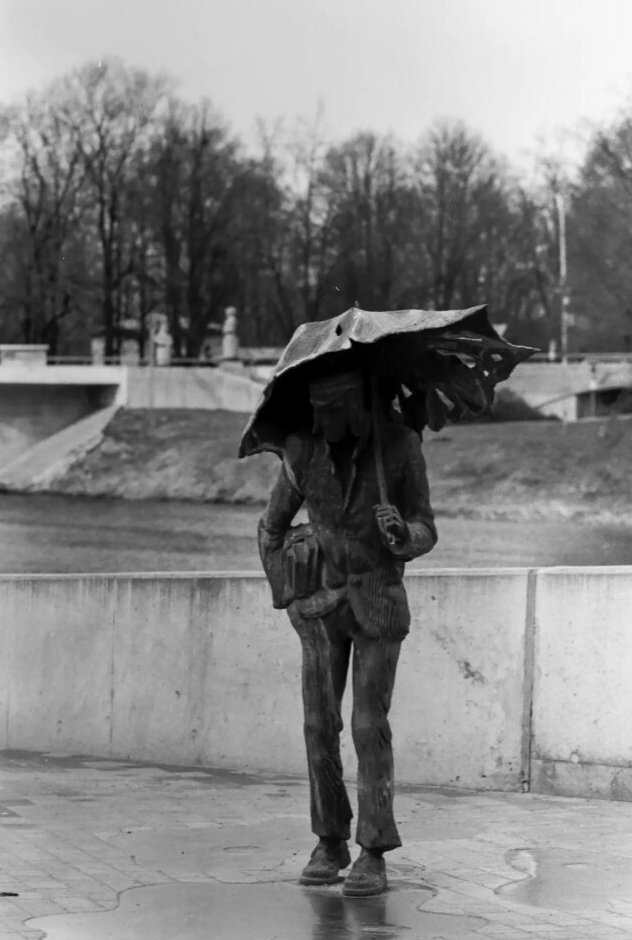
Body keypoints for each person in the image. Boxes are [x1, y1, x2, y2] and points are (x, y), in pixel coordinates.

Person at [258, 367, 436, 897]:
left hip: (378, 604)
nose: (323, 420)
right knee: (318, 724)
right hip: (319, 609)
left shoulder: (400, 447)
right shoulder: (300, 454)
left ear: (359, 402)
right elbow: (271, 528)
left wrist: (404, 536)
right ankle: (328, 839)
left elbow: (427, 525)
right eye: (318, 411)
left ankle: (373, 849)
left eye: (333, 410)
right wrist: (287, 590)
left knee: (367, 724)